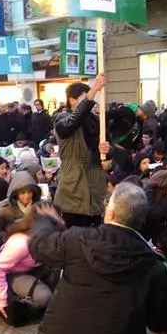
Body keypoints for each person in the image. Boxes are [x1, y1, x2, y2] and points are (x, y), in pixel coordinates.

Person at [25, 183, 167, 334]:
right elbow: (162, 322)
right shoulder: (153, 267)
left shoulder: (77, 240)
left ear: (110, 211)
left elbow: (38, 244)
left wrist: (46, 219)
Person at [53, 74, 108, 228]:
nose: (90, 102)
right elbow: (71, 124)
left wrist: (105, 150)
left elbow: (103, 155)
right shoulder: (61, 118)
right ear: (72, 100)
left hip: (95, 188)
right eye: (85, 98)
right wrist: (94, 90)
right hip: (73, 189)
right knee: (75, 237)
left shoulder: (93, 120)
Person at [0, 202, 58, 327]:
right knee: (44, 297)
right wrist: (2, 300)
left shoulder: (50, 235)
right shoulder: (20, 242)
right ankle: (21, 300)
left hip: (35, 268)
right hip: (13, 274)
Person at [0, 171, 41, 241]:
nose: (27, 196)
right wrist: (9, 237)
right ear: (15, 194)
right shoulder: (4, 210)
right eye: (23, 193)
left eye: (30, 192)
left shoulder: (40, 208)